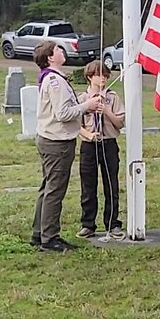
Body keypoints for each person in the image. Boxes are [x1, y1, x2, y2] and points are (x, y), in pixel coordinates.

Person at [29, 41, 101, 252]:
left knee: (47, 187)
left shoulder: (53, 78)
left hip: (49, 139)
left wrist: (83, 107)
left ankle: (38, 233)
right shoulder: (55, 81)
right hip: (57, 142)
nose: (62, 51)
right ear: (50, 57)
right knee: (55, 190)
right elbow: (63, 114)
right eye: (58, 49)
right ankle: (50, 238)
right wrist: (86, 106)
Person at [75, 61, 126, 240]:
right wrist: (88, 135)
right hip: (89, 146)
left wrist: (107, 112)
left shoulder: (113, 98)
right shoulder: (82, 99)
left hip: (109, 143)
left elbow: (120, 122)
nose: (103, 78)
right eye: (99, 75)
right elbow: (75, 125)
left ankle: (112, 224)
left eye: (105, 75)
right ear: (90, 77)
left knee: (111, 184)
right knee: (88, 186)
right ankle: (88, 224)